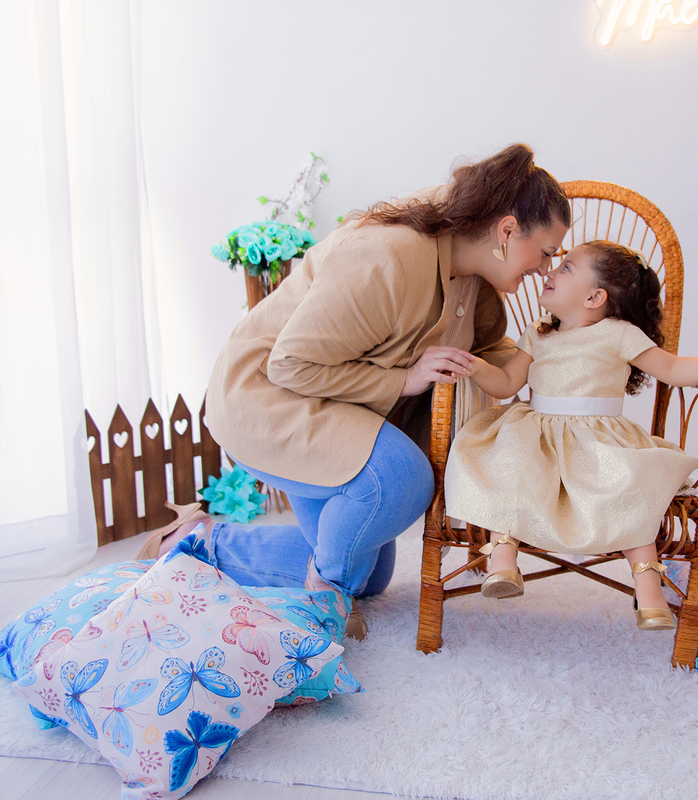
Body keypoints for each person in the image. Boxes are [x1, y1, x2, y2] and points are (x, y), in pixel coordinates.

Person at [138, 144, 571, 640]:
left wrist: (562, 356)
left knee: (370, 575)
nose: (545, 268)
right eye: (545, 252)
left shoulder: (470, 271)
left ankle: (198, 541)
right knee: (399, 480)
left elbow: (492, 348)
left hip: (334, 399)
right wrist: (404, 381)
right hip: (266, 395)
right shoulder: (387, 258)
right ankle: (322, 602)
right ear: (507, 230)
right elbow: (290, 364)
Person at [444, 240, 698, 630]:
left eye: (566, 267)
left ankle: (648, 586)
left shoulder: (617, 333)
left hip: (599, 439)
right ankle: (503, 559)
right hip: (537, 434)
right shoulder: (538, 334)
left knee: (632, 483)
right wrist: (474, 366)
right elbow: (506, 384)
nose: (550, 270)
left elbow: (669, 368)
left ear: (594, 297)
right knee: (510, 464)